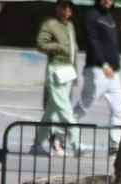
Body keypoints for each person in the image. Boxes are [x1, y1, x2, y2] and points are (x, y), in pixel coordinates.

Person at [31, 0, 85, 157]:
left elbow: (74, 51)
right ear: (57, 8)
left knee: (51, 112)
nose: (66, 9)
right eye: (63, 6)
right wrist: (58, 47)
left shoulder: (70, 26)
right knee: (65, 108)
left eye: (69, 7)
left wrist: (74, 72)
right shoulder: (50, 24)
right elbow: (40, 44)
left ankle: (38, 144)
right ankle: (76, 143)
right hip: (56, 69)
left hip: (68, 71)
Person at [74, 0, 121, 155]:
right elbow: (93, 41)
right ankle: (59, 135)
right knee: (84, 107)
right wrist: (103, 64)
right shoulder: (91, 15)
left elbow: (109, 43)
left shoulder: (110, 16)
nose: (108, 0)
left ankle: (115, 145)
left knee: (118, 109)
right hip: (98, 70)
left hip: (114, 73)